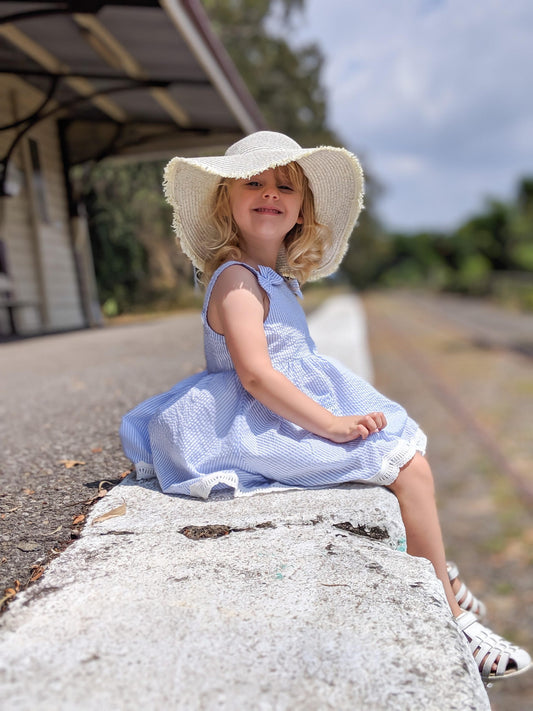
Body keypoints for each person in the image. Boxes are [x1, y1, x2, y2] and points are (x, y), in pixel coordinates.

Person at [120, 131, 531, 682]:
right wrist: (330, 423)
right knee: (407, 468)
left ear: (300, 210)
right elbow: (256, 374)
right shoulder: (236, 280)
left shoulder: (276, 279)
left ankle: (440, 571)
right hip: (255, 423)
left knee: (403, 454)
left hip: (280, 411)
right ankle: (452, 615)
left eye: (285, 186)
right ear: (227, 202)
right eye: (254, 182)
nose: (270, 193)